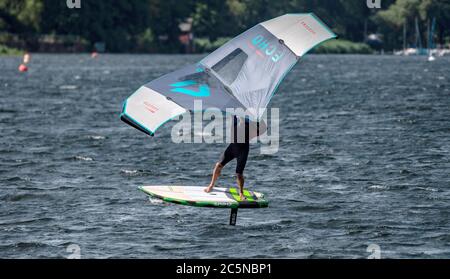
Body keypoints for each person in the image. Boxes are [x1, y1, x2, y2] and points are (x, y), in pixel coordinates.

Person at [205, 115, 267, 200]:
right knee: (218, 165)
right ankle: (211, 185)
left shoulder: (251, 126)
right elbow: (233, 114)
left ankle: (241, 193)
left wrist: (258, 120)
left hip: (242, 151)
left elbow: (264, 128)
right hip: (232, 147)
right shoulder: (236, 122)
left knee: (239, 173)